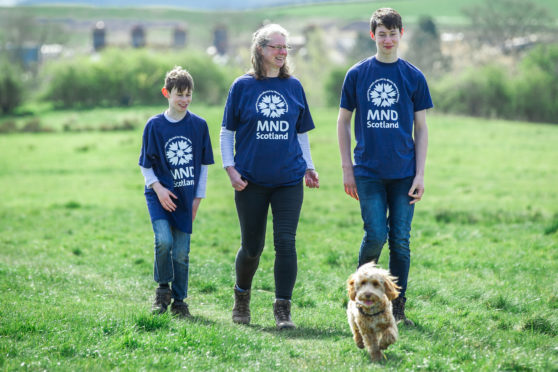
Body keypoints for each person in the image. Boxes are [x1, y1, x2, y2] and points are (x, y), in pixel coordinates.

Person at [337, 8, 433, 326]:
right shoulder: (357, 74)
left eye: (393, 33)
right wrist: (346, 168)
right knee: (376, 234)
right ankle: (360, 299)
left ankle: (396, 305)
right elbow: (343, 122)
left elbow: (421, 128)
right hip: (367, 171)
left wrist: (420, 173)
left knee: (401, 241)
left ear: (401, 34)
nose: (388, 39)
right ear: (373, 36)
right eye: (382, 34)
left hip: (405, 173)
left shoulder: (413, 77)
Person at [220, 23, 319, 330]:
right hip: (250, 180)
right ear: (260, 49)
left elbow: (301, 134)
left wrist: (309, 166)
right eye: (275, 46)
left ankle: (283, 310)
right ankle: (242, 298)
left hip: (288, 179)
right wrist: (230, 169)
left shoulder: (294, 86)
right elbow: (227, 133)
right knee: (252, 246)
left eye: (284, 47)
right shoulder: (242, 87)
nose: (281, 52)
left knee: (286, 243)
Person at [139, 66, 214, 318]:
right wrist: (158, 189)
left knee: (181, 253)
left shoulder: (199, 126)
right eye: (179, 94)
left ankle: (180, 302)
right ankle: (162, 292)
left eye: (188, 94)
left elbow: (203, 168)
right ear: (166, 93)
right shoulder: (154, 126)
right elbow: (145, 166)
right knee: (164, 242)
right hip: (159, 196)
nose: (184, 100)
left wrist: (197, 201)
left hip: (185, 198)